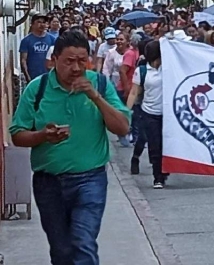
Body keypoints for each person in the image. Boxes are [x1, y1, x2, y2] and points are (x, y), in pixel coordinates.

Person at [10, 30, 130, 264]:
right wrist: (43, 136)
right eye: (69, 61)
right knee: (62, 250)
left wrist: (94, 96)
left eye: (81, 61)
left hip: (89, 180)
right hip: (49, 183)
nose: (76, 68)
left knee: (82, 243)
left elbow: (122, 127)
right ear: (54, 60)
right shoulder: (37, 89)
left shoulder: (100, 84)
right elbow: (17, 135)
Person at [127, 40, 167, 188]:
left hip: (167, 114)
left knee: (166, 145)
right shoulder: (142, 71)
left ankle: (164, 171)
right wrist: (126, 112)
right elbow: (134, 92)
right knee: (154, 145)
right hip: (149, 113)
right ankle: (158, 177)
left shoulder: (168, 68)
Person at [20, 14, 56, 83]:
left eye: (44, 22)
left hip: (49, 77)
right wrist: (27, 77)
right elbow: (23, 60)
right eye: (39, 22)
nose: (42, 25)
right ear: (32, 24)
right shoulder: (26, 41)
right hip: (33, 77)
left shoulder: (52, 39)